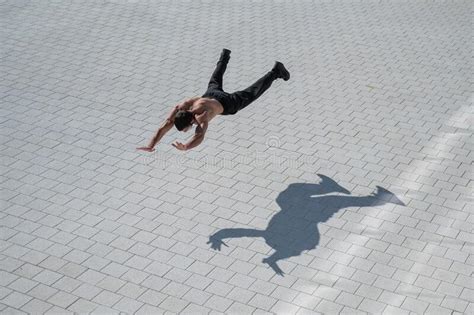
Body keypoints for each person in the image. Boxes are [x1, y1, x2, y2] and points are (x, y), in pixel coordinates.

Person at [137, 48, 290, 152]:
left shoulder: (201, 116)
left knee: (252, 93)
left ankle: (276, 71)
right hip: (211, 94)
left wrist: (186, 147)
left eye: (186, 129)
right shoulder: (180, 108)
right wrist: (150, 145)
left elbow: (199, 136)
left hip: (227, 103)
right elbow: (163, 127)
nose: (188, 131)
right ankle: (224, 55)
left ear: (191, 122)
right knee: (215, 77)